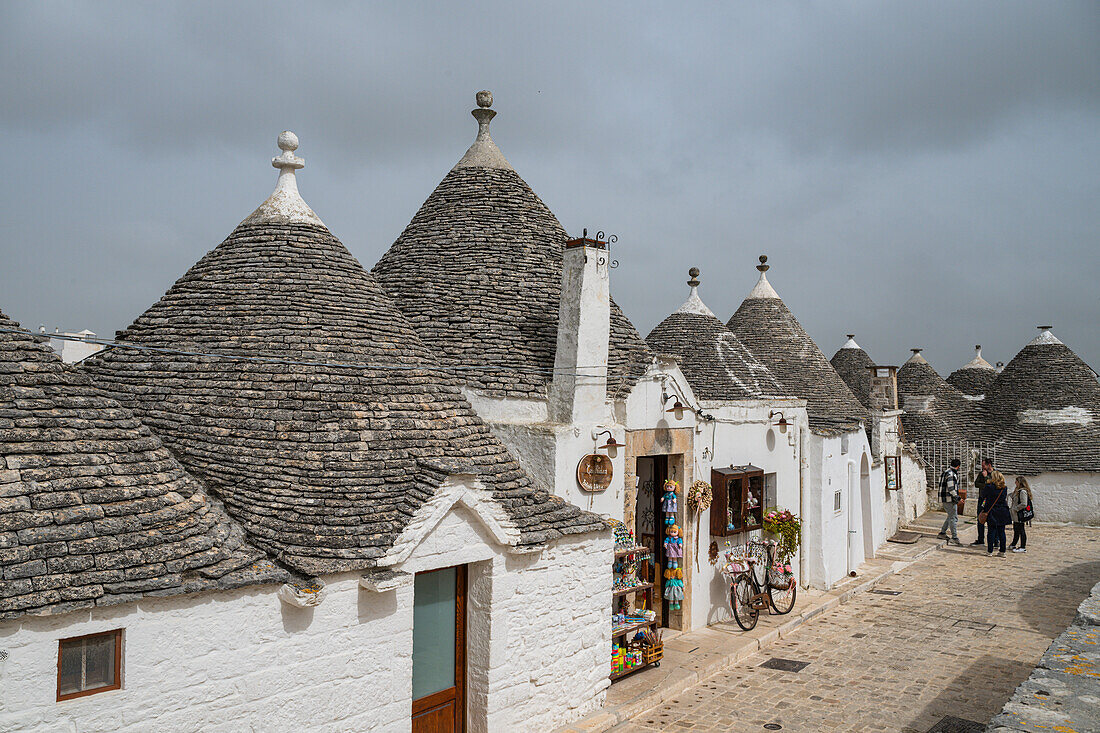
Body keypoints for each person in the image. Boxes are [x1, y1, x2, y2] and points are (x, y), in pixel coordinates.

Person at [976, 457, 1010, 556]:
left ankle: (990, 551)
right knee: (1001, 532)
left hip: (992, 511)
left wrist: (986, 480)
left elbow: (983, 495)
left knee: (991, 531)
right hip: (1002, 510)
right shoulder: (1004, 488)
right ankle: (1002, 551)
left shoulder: (989, 487)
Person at [936, 458, 962, 545]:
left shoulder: (946, 472)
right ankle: (954, 537)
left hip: (945, 499)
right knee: (953, 518)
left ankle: (942, 533)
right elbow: (951, 489)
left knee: (950, 516)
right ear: (958, 466)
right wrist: (958, 498)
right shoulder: (951, 474)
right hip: (949, 499)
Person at [1009, 476, 1033, 553]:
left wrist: (1015, 508)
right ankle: (1013, 544)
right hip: (1016, 515)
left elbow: (1024, 503)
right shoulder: (1018, 491)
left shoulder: (1022, 492)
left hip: (1019, 514)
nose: (1015, 483)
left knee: (1021, 530)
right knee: (1016, 529)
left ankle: (1023, 546)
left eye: (1016, 481)